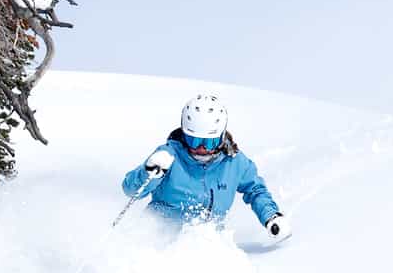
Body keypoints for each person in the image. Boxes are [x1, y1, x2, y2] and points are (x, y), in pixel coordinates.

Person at [122, 91, 290, 239]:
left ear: (222, 135)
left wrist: (271, 216)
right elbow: (130, 189)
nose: (201, 148)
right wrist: (148, 172)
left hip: (206, 243)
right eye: (193, 140)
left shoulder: (234, 162)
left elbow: (255, 190)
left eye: (209, 142)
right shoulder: (169, 155)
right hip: (158, 237)